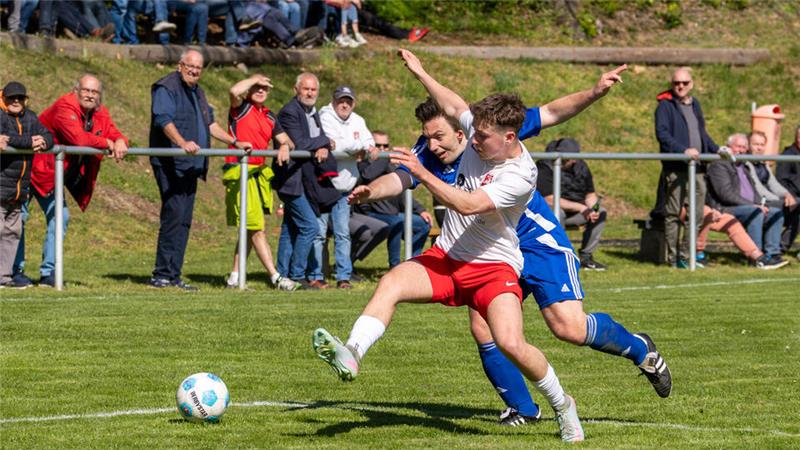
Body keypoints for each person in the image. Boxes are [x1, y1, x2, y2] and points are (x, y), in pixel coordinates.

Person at [346, 62, 671, 426]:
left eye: (439, 135)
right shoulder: (443, 144)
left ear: (463, 131)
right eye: (428, 136)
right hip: (488, 250)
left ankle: (639, 348)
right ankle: (524, 408)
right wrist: (371, 191)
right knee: (484, 326)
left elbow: (550, 112)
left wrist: (594, 92)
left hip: (537, 243)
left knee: (568, 328)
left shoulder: (503, 142)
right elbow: (402, 177)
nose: (432, 144)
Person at [314, 48, 586, 443]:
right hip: (449, 258)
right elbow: (451, 102)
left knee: (510, 342)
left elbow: (468, 204)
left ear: (509, 138)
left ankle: (563, 405)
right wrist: (420, 71)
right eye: (472, 131)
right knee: (391, 282)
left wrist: (421, 172)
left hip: (494, 268)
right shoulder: (477, 133)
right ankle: (352, 352)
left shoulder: (521, 174)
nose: (474, 139)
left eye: (482, 136)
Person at [149, 49, 252, 291]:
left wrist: (234, 142)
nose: (194, 71)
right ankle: (162, 275)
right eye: (190, 66)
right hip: (172, 163)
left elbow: (211, 124)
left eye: (198, 67)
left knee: (184, 220)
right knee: (174, 216)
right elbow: (162, 119)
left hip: (191, 166)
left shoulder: (198, 92)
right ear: (179, 65)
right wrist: (181, 142)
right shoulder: (167, 87)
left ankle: (174, 275)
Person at [19, 75, 128, 288]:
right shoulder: (64, 106)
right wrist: (106, 142)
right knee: (17, 220)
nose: (89, 95)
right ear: (76, 90)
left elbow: (112, 131)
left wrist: (120, 140)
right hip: (31, 170)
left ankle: (49, 274)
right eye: (86, 90)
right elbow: (77, 138)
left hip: (54, 175)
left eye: (94, 92)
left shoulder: (99, 112)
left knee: (61, 218)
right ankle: (14, 272)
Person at [223, 74, 299, 291]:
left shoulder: (269, 115)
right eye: (257, 87)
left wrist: (283, 145)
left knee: (249, 227)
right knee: (256, 228)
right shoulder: (241, 107)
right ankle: (276, 277)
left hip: (259, 174)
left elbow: (287, 141)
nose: (260, 90)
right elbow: (233, 91)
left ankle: (234, 277)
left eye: (265, 88)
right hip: (241, 172)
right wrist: (253, 78)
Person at [654, 67, 723, 268]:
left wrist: (717, 149)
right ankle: (673, 258)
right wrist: (682, 150)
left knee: (697, 215)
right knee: (674, 213)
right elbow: (662, 134)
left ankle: (686, 256)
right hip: (676, 168)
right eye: (677, 83)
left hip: (698, 168)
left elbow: (701, 133)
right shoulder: (664, 106)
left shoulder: (695, 105)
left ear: (691, 84)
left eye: (684, 83)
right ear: (672, 84)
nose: (681, 86)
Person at [274, 72, 335, 289]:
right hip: (290, 180)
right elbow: (298, 143)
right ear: (296, 89)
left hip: (303, 179)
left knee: (290, 228)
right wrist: (326, 141)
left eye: (313, 90)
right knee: (309, 226)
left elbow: (311, 140)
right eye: (306, 89)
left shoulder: (311, 112)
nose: (309, 93)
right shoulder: (290, 111)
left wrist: (321, 145)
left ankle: (282, 276)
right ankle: (298, 275)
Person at [0, 82, 53, 289]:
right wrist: (29, 142)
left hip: (18, 191)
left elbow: (48, 135)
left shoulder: (30, 117)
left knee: (12, 234)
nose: (16, 101)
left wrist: (44, 142)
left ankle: (3, 278)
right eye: (12, 97)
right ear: (4, 98)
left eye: (20, 98)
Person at [706, 133, 787, 269]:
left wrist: (762, 204)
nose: (742, 150)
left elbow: (753, 192)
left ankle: (773, 254)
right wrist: (754, 205)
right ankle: (757, 258)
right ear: (728, 147)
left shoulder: (744, 166)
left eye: (744, 147)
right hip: (725, 208)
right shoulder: (719, 165)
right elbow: (726, 195)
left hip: (748, 206)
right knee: (755, 212)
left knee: (775, 213)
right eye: (738, 147)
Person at [355, 130, 432, 268]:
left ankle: (413, 264)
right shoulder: (363, 163)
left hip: (392, 213)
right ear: (370, 146)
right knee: (396, 222)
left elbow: (402, 191)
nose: (383, 150)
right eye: (378, 145)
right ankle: (395, 266)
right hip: (369, 213)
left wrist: (420, 210)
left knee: (423, 224)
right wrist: (383, 159)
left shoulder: (388, 164)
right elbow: (367, 176)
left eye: (386, 146)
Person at [536, 138, 608, 271]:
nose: (574, 160)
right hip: (549, 214)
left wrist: (593, 209)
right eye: (571, 157)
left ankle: (586, 257)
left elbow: (590, 195)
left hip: (575, 212)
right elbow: (550, 200)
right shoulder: (544, 167)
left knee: (601, 211)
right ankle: (559, 257)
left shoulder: (581, 166)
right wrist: (582, 208)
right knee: (558, 212)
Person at [748, 131, 798, 260]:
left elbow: (773, 184)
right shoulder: (747, 164)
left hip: (770, 199)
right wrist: (779, 200)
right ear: (749, 145)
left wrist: (787, 194)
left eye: (762, 144)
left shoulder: (762, 163)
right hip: (759, 201)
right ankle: (774, 251)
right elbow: (757, 188)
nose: (759, 148)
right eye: (755, 144)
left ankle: (779, 248)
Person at [692, 205, 776, 268]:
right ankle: (697, 254)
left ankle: (758, 258)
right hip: (683, 206)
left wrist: (713, 208)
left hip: (702, 205)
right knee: (706, 212)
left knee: (730, 221)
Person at [777, 125, 800, 256]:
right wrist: (789, 195)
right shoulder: (788, 155)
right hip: (789, 198)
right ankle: (780, 247)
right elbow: (781, 181)